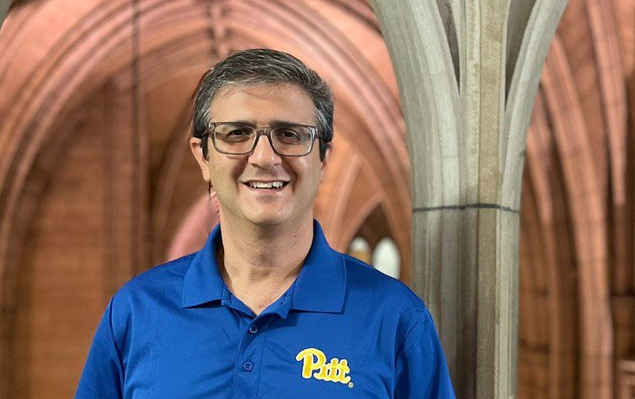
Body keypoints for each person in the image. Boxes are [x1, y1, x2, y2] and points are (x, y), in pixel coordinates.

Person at [74, 48, 455, 398]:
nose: (264, 157)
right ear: (203, 156)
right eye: (237, 133)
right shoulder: (137, 312)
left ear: (323, 159)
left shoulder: (396, 320)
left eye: (289, 134)